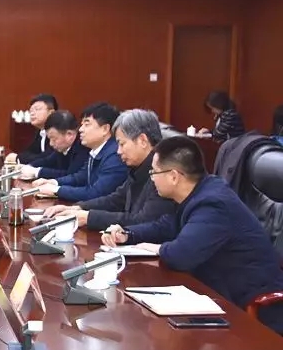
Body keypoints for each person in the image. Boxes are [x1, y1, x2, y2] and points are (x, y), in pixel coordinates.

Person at [101, 136, 283, 334]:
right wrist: (128, 235)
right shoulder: (199, 192)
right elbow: (166, 226)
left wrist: (158, 248)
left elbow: (181, 256)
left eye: (154, 172)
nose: (151, 178)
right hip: (217, 296)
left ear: (173, 176)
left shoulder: (213, 203)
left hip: (252, 310)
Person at [43, 109, 176, 230]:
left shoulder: (163, 172)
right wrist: (78, 207)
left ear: (142, 141)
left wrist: (88, 217)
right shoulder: (138, 167)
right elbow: (116, 199)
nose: (118, 151)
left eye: (122, 144)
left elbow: (142, 221)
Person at [33, 102, 128, 202]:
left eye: (87, 124)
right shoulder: (96, 150)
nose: (81, 129)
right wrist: (54, 182)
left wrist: (57, 190)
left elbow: (96, 193)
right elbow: (80, 177)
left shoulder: (115, 155)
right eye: (82, 125)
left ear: (105, 129)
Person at [9, 110, 89, 180]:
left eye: (54, 139)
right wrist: (28, 166)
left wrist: (37, 172)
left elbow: (70, 175)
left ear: (69, 134)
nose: (51, 143)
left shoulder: (83, 146)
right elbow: (47, 161)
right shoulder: (63, 147)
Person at [16, 93, 58, 164]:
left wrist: (18, 158)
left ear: (51, 113)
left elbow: (46, 158)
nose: (32, 113)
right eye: (31, 110)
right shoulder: (40, 131)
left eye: (37, 109)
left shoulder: (58, 130)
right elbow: (29, 152)